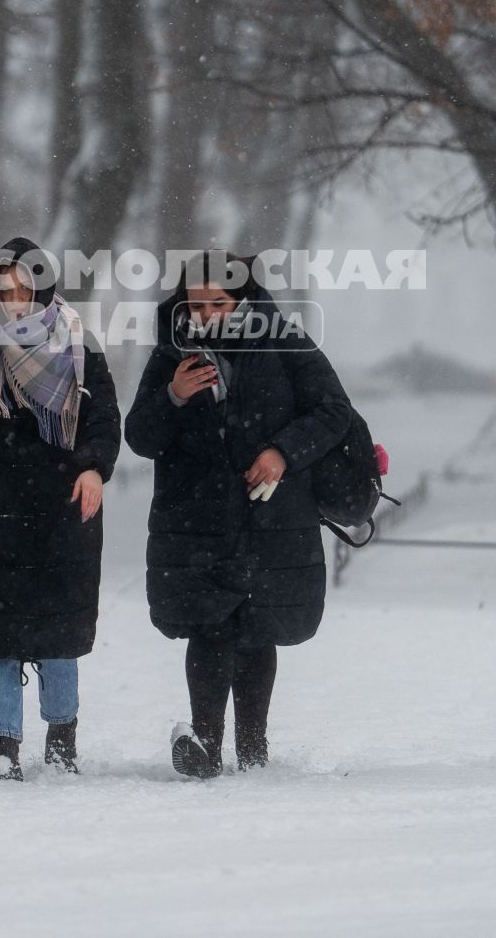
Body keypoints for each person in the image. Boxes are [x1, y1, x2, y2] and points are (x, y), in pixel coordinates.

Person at [123, 251, 350, 777]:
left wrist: (282, 452)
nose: (205, 314)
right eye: (195, 303)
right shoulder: (171, 353)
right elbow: (139, 436)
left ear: (244, 299)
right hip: (195, 518)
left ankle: (253, 749)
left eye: (218, 303)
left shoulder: (284, 342)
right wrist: (174, 396)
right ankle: (205, 745)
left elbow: (334, 411)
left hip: (270, 514)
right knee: (210, 624)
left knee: (257, 628)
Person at [0, 238, 120, 780]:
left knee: (59, 636)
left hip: (64, 513)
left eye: (24, 285)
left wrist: (92, 466)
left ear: (43, 286)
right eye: (5, 286)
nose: (15, 297)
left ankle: (61, 742)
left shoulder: (78, 346)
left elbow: (103, 418)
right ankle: (2, 748)